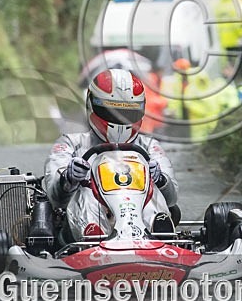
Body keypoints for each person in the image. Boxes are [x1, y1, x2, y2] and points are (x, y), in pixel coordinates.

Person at [40, 68, 179, 242]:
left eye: (128, 113)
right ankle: (92, 235)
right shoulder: (71, 143)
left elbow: (172, 199)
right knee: (86, 193)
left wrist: (161, 180)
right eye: (111, 111)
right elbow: (56, 199)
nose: (119, 120)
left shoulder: (149, 146)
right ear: (92, 105)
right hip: (89, 223)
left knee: (153, 191)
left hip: (138, 215)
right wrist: (69, 179)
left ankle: (159, 232)